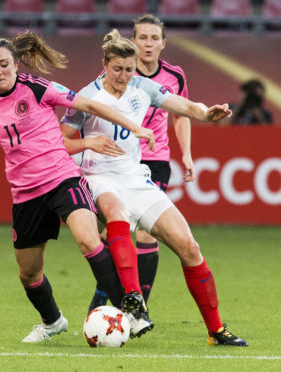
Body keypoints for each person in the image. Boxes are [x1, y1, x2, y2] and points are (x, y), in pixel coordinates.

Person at [0, 30, 157, 343]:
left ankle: (129, 311)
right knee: (29, 274)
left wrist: (134, 126)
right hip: (25, 194)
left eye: (4, 64)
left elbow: (89, 106)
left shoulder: (37, 88)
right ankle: (52, 322)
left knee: (88, 240)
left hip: (63, 179)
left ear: (16, 64)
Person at [61, 29, 248, 346]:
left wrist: (206, 113)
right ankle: (133, 300)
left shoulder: (143, 87)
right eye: (117, 69)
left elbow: (184, 107)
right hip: (98, 177)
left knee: (189, 248)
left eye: (129, 69)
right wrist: (90, 142)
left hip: (136, 178)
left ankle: (216, 330)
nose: (123, 76)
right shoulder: (85, 97)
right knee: (116, 211)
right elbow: (60, 143)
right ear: (105, 64)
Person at [87, 14, 195, 311]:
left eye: (153, 38)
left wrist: (185, 153)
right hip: (116, 161)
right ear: (133, 41)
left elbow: (181, 113)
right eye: (142, 38)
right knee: (112, 231)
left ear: (163, 43)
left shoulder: (174, 76)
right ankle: (102, 301)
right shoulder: (120, 72)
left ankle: (138, 307)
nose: (148, 43)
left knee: (145, 233)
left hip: (154, 158)